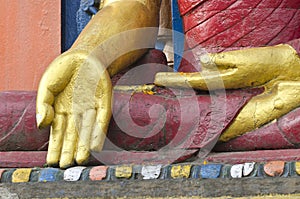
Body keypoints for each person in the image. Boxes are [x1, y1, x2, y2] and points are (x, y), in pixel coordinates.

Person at [36, 0, 300, 168]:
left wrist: (288, 59)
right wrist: (91, 56)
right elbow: (132, 6)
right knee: (26, 114)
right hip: (191, 97)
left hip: (287, 86)